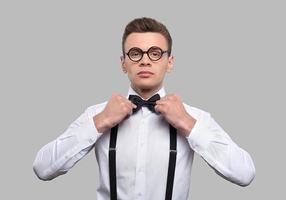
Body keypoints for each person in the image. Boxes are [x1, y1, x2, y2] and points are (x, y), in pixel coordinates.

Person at [33, 17, 255, 200]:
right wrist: (100, 122)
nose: (145, 61)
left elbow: (245, 174)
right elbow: (43, 169)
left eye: (155, 53)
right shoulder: (97, 115)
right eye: (135, 53)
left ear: (170, 62)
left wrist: (187, 125)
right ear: (123, 63)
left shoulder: (194, 117)